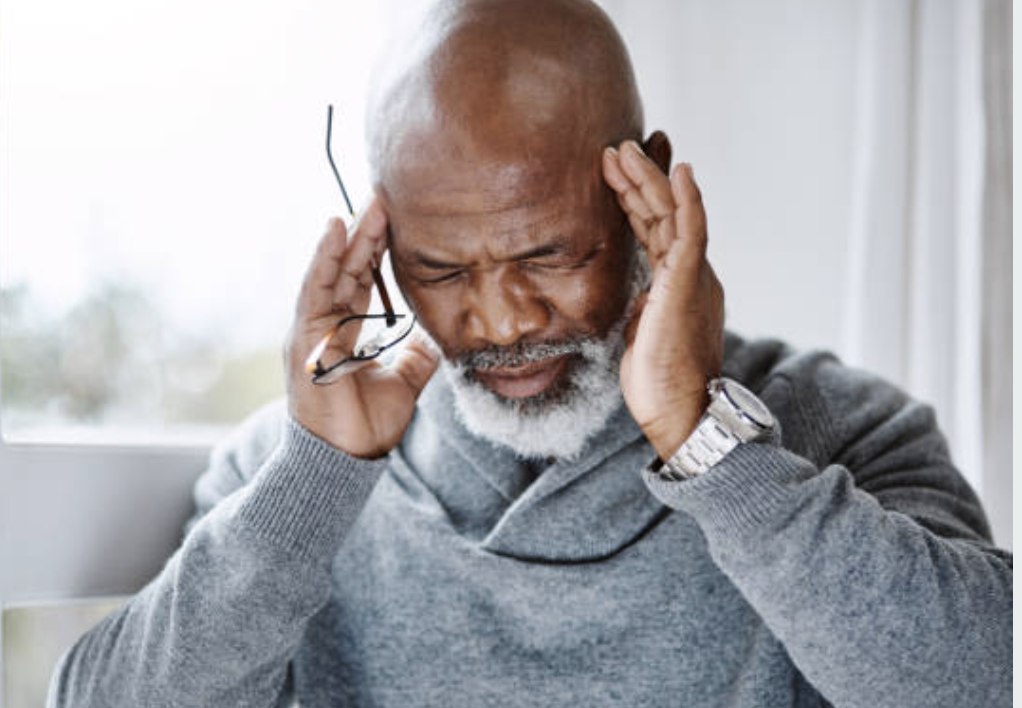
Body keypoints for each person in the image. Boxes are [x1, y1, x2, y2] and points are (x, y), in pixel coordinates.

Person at [48, 0, 1011, 706]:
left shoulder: (837, 423)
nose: (502, 321)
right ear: (383, 248)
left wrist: (707, 439)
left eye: (549, 254)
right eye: (441, 268)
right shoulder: (292, 470)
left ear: (644, 195)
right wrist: (322, 474)